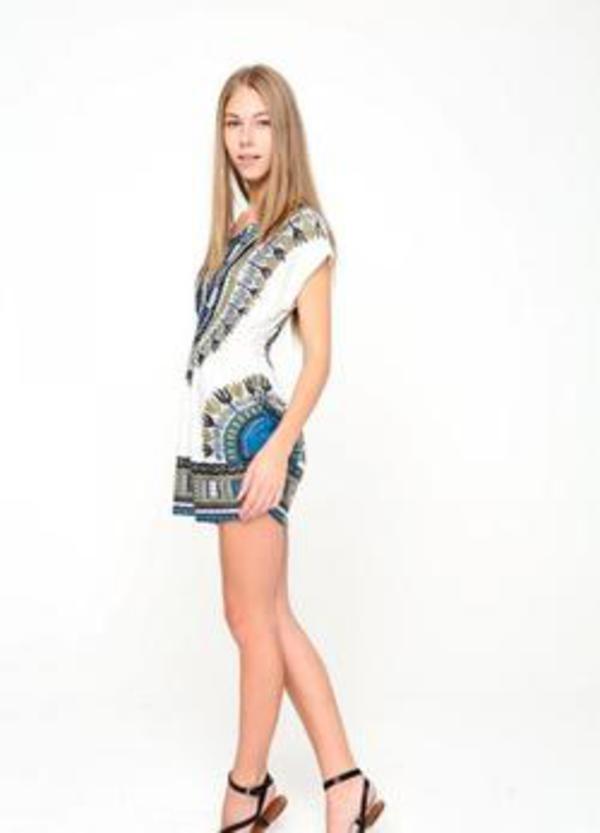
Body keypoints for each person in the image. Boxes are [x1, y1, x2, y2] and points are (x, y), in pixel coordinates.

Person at [171, 64, 385, 833]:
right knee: (265, 616)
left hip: (253, 438)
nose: (247, 138)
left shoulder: (305, 231)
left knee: (252, 624)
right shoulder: (236, 228)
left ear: (284, 131)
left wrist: (276, 450)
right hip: (218, 437)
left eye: (261, 121)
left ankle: (246, 788)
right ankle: (346, 780)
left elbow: (319, 357)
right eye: (234, 122)